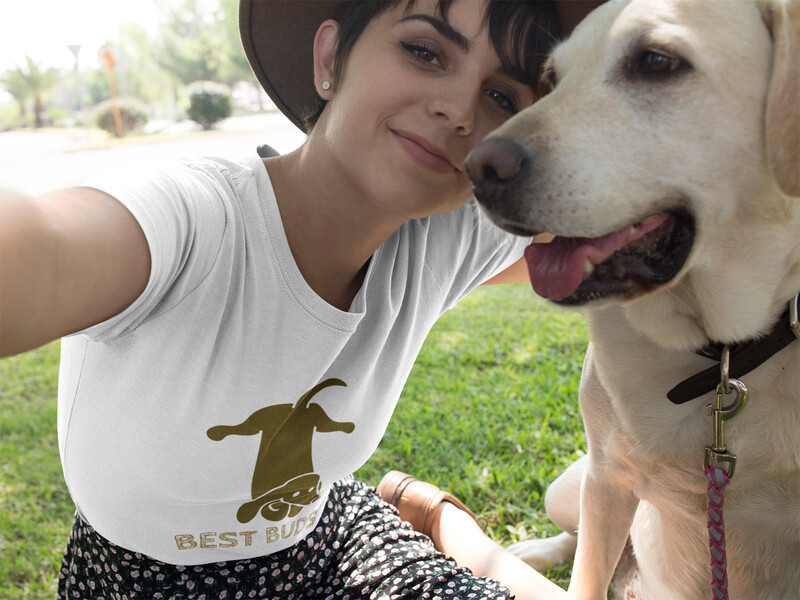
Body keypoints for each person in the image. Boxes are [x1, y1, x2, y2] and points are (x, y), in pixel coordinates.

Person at [0, 1, 601, 598]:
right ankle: (435, 519)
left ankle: (437, 522)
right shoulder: (196, 219)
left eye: (502, 98)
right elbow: (46, 252)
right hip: (140, 580)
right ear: (330, 57)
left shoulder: (448, 239)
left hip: (329, 544)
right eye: (424, 52)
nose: (459, 110)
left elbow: (615, 215)